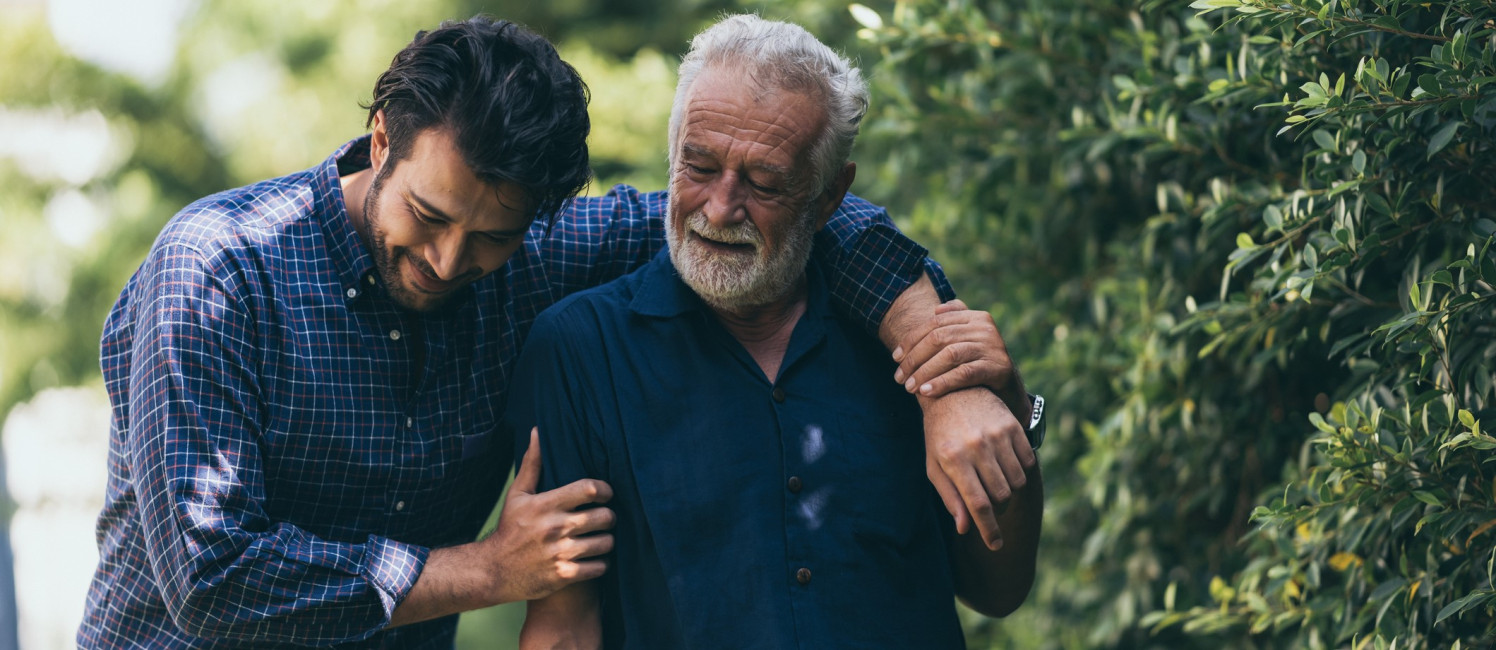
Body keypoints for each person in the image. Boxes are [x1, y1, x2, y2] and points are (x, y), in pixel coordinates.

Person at [78, 15, 1034, 649]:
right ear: (380, 139)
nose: (450, 261)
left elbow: (772, 220)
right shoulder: (216, 270)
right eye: (427, 214)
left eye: (490, 236)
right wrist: (488, 569)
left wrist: (942, 365)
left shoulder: (541, 252)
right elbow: (212, 578)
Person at [508, 15, 1044, 649]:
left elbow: (997, 590)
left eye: (764, 183)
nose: (720, 208)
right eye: (699, 167)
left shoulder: (912, 335)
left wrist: (1004, 411)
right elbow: (565, 630)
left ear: (828, 196)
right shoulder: (579, 349)